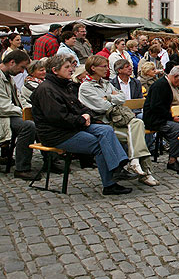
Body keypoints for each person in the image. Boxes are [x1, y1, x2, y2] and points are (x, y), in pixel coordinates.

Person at [31, 54, 132, 194]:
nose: (71, 70)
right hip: (58, 134)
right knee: (100, 144)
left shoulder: (65, 85)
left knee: (106, 130)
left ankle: (119, 165)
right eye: (67, 67)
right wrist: (82, 119)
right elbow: (58, 118)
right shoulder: (47, 89)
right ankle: (110, 183)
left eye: (71, 67)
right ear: (55, 70)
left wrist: (86, 115)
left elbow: (81, 106)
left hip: (74, 126)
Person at [78, 55, 158, 186]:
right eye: (103, 66)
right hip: (103, 123)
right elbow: (102, 106)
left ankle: (135, 161)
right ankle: (145, 171)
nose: (106, 69)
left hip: (117, 120)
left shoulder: (105, 83)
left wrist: (107, 97)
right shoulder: (86, 87)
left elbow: (121, 98)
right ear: (93, 68)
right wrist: (111, 99)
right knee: (137, 136)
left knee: (138, 122)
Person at [0, 50, 40, 180]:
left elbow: (19, 98)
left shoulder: (8, 77)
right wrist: (25, 112)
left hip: (8, 114)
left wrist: (31, 109)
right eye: (22, 67)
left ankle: (52, 159)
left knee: (39, 121)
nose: (23, 72)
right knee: (28, 126)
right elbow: (3, 106)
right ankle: (22, 168)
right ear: (12, 62)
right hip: (3, 116)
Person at [142, 66, 179, 172]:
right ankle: (172, 161)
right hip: (155, 119)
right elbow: (156, 107)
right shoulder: (160, 85)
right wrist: (171, 117)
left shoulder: (174, 85)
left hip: (166, 117)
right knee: (177, 129)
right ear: (176, 76)